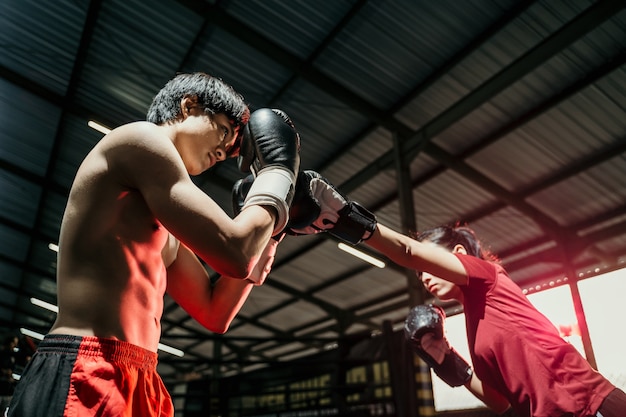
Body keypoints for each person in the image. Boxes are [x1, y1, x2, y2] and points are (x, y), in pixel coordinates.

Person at [7, 72, 301, 417]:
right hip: (87, 364)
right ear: (189, 105)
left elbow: (214, 312)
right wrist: (278, 172)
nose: (223, 152)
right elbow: (235, 253)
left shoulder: (167, 226)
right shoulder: (139, 139)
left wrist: (272, 232)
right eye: (224, 130)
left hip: (142, 373)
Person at [284, 170, 626, 417]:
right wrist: (445, 357)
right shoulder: (475, 335)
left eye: (428, 267)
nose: (423, 278)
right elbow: (499, 401)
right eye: (419, 275)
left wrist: (345, 218)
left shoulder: (488, 280)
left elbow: (407, 250)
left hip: (590, 407)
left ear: (460, 254)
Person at [0, 335, 18, 414]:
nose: (14, 346)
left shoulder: (12, 356)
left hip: (6, 389)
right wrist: (4, 372)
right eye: (13, 343)